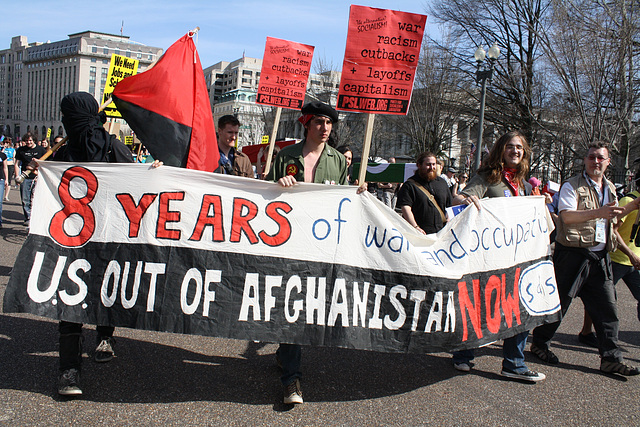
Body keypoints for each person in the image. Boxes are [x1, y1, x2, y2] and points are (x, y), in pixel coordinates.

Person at [50, 92, 140, 396]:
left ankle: (105, 334)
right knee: (70, 302)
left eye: (70, 116)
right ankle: (69, 370)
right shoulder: (62, 154)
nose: (67, 122)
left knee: (105, 292)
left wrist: (150, 174)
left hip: (107, 239)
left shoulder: (113, 147)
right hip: (72, 241)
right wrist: (43, 172)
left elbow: (135, 186)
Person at [530, 142, 640, 376]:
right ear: (585, 161)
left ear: (608, 162)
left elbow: (610, 222)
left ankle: (611, 358)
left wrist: (623, 211)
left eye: (600, 158)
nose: (595, 162)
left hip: (600, 258)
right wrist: (599, 212)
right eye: (591, 157)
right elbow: (567, 217)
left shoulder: (609, 187)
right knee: (559, 304)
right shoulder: (572, 185)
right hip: (572, 255)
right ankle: (539, 343)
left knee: (607, 309)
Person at [266, 101, 347, 404]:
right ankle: (291, 380)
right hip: (287, 243)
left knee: (301, 309)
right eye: (319, 122)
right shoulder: (286, 156)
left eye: (329, 123)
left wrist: (358, 192)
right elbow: (263, 195)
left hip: (319, 247)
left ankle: (286, 356)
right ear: (306, 124)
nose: (325, 128)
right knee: (292, 307)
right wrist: (277, 184)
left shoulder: (338, 161)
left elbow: (344, 200)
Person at [453, 130, 545, 382]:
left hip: (518, 258)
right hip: (488, 257)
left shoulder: (524, 185)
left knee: (520, 309)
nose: (515, 151)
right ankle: (463, 355)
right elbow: (458, 198)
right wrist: (466, 197)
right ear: (501, 150)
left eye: (520, 148)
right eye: (510, 147)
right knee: (480, 306)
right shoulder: (488, 177)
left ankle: (514, 363)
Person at [396, 152, 451, 235]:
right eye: (428, 164)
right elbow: (405, 207)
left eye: (434, 164)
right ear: (419, 165)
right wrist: (415, 227)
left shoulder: (442, 183)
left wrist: (449, 219)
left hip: (441, 233)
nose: (432, 167)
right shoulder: (410, 185)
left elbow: (449, 205)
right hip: (420, 233)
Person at [14, 132, 46, 225]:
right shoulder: (21, 150)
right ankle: (28, 218)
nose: (28, 142)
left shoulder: (41, 150)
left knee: (36, 198)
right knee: (25, 199)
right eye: (27, 140)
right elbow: (17, 164)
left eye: (30, 140)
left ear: (34, 140)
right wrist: (17, 176)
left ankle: (36, 217)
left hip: (37, 177)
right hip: (25, 177)